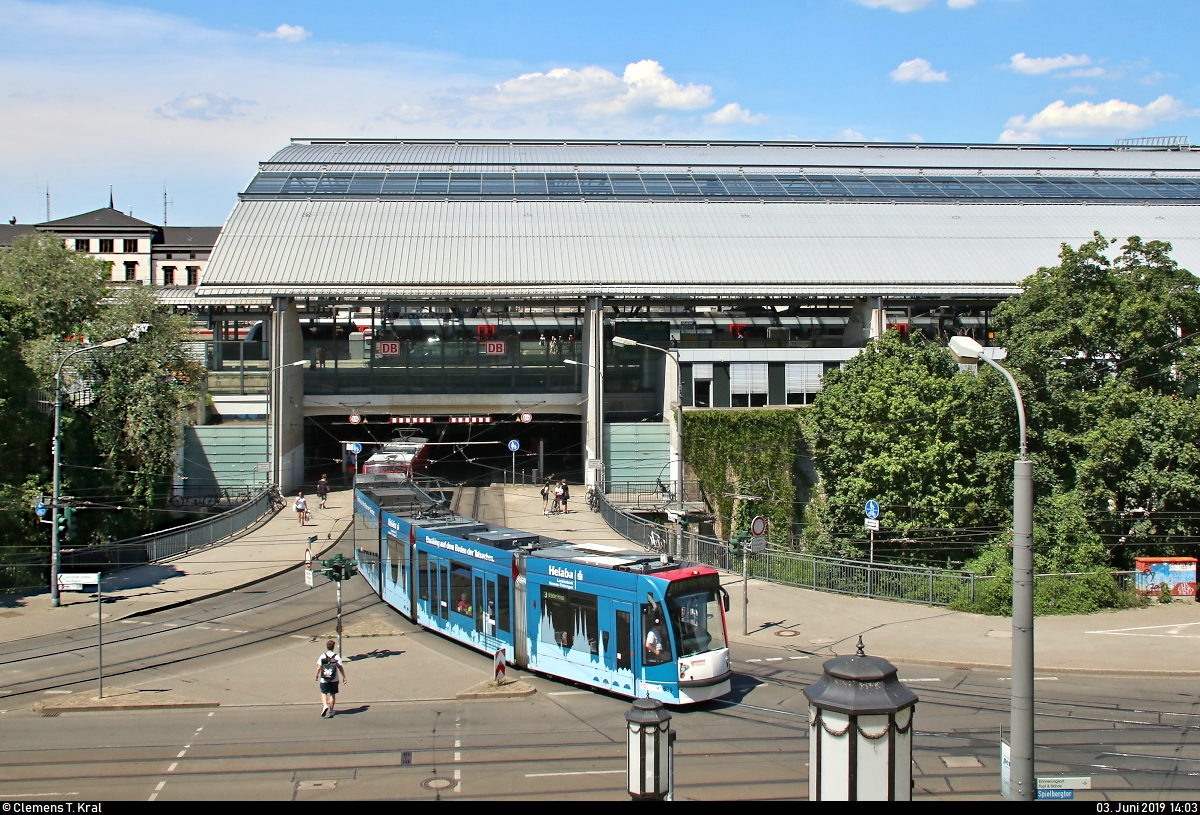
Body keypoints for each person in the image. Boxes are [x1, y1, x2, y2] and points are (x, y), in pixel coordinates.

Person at [315, 640, 347, 718]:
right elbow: (340, 667)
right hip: (334, 679)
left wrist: (316, 675)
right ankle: (331, 711)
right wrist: (344, 677)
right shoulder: (336, 656)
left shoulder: (323, 655)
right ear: (333, 647)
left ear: (327, 646)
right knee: (332, 694)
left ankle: (325, 705)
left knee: (323, 692)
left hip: (324, 678)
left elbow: (319, 667)